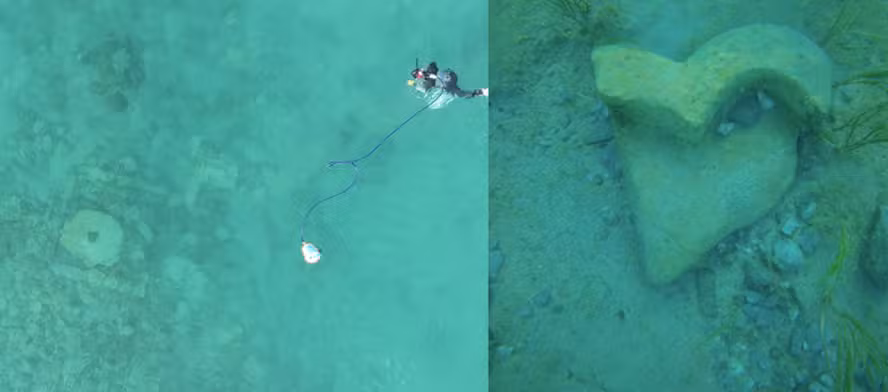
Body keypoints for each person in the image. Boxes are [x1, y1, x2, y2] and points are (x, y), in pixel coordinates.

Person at [410, 61, 488, 98]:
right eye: (419, 72)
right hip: (452, 77)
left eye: (419, 71)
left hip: (449, 82)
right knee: (459, 93)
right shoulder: (429, 72)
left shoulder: (429, 72)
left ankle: (481, 92)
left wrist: (414, 83)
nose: (420, 72)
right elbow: (433, 63)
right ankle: (480, 92)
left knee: (459, 94)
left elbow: (433, 63)